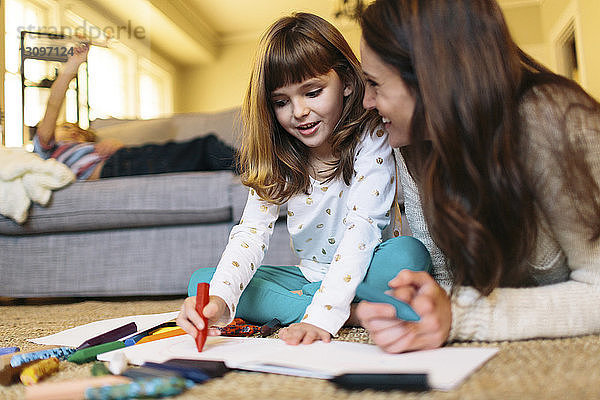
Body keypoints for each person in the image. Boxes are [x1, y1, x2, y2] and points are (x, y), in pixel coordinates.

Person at [355, 0, 600, 353]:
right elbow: (450, 282)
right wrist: (426, 307)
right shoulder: (415, 144)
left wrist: (460, 316)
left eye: (375, 84)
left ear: (432, 80)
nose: (367, 102)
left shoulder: (554, 121)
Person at [176, 12, 432, 345]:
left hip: (369, 266)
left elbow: (363, 228)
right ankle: (358, 312)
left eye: (312, 93)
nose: (298, 112)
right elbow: (251, 233)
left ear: (347, 84)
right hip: (307, 278)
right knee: (205, 282)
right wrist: (220, 301)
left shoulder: (372, 138)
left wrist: (323, 318)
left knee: (409, 255)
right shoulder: (280, 155)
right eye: (282, 102)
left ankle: (331, 306)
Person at [33, 44, 236, 180]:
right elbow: (53, 104)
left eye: (77, 130)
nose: (72, 131)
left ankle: (254, 173)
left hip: (124, 159)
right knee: (204, 147)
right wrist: (73, 66)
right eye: (66, 128)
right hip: (118, 167)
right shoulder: (49, 151)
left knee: (204, 151)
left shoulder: (87, 148)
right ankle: (259, 174)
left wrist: (116, 146)